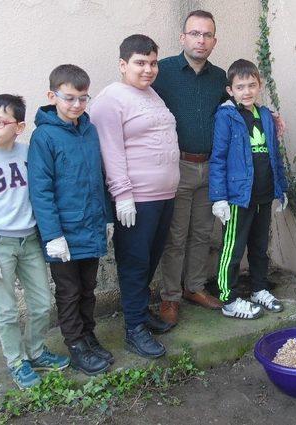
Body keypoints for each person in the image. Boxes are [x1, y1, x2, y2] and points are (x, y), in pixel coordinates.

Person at [0, 94, 69, 389]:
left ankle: (35, 351)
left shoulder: (28, 153)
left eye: (1, 121)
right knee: (6, 309)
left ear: (19, 126)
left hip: (31, 240)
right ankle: (17, 360)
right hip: (0, 245)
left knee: (41, 303)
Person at [91, 34, 180, 359]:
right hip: (136, 200)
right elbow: (110, 151)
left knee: (150, 260)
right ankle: (134, 330)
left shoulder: (151, 94)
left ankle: (142, 315)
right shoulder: (110, 99)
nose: (148, 69)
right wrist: (123, 195)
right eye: (141, 63)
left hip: (163, 196)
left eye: (153, 63)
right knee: (134, 263)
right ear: (123, 64)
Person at [28, 65, 114, 376]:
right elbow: (41, 189)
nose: (76, 105)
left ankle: (88, 335)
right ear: (52, 97)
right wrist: (52, 235)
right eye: (69, 98)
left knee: (89, 288)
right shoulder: (44, 136)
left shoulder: (89, 131)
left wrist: (106, 217)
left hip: (90, 227)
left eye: (82, 98)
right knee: (69, 291)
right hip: (63, 233)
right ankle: (76, 345)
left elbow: (98, 177)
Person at [152, 10, 229, 325]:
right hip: (177, 165)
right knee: (176, 235)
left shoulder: (220, 77)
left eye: (207, 35)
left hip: (210, 166)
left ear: (214, 41)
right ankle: (169, 297)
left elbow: (240, 104)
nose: (201, 40)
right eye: (195, 33)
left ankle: (194, 287)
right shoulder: (163, 72)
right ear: (183, 37)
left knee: (202, 233)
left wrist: (270, 115)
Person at [209, 59, 288, 319]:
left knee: (259, 245)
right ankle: (228, 299)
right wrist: (219, 197)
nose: (247, 91)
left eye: (252, 85)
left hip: (263, 194)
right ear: (230, 90)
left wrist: (281, 188)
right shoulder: (226, 116)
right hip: (238, 198)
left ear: (259, 86)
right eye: (240, 87)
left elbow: (274, 154)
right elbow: (218, 158)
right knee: (233, 248)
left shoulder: (265, 115)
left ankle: (259, 289)